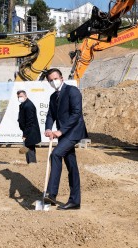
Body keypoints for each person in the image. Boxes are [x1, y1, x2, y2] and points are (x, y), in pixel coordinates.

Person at [43, 68, 88, 210]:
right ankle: (75, 201)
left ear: (61, 78)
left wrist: (61, 131)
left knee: (55, 154)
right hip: (64, 134)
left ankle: (52, 193)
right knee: (71, 166)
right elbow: (50, 114)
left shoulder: (72, 91)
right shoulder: (52, 97)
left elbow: (76, 113)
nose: (53, 82)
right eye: (50, 80)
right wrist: (49, 128)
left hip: (73, 132)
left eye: (55, 78)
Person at [17, 90, 41, 164]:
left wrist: (25, 134)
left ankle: (32, 163)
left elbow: (29, 122)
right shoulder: (24, 104)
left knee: (29, 146)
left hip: (31, 130)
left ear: (25, 96)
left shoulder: (28, 105)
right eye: (18, 97)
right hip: (28, 130)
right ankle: (30, 162)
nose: (19, 98)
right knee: (28, 146)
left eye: (21, 96)